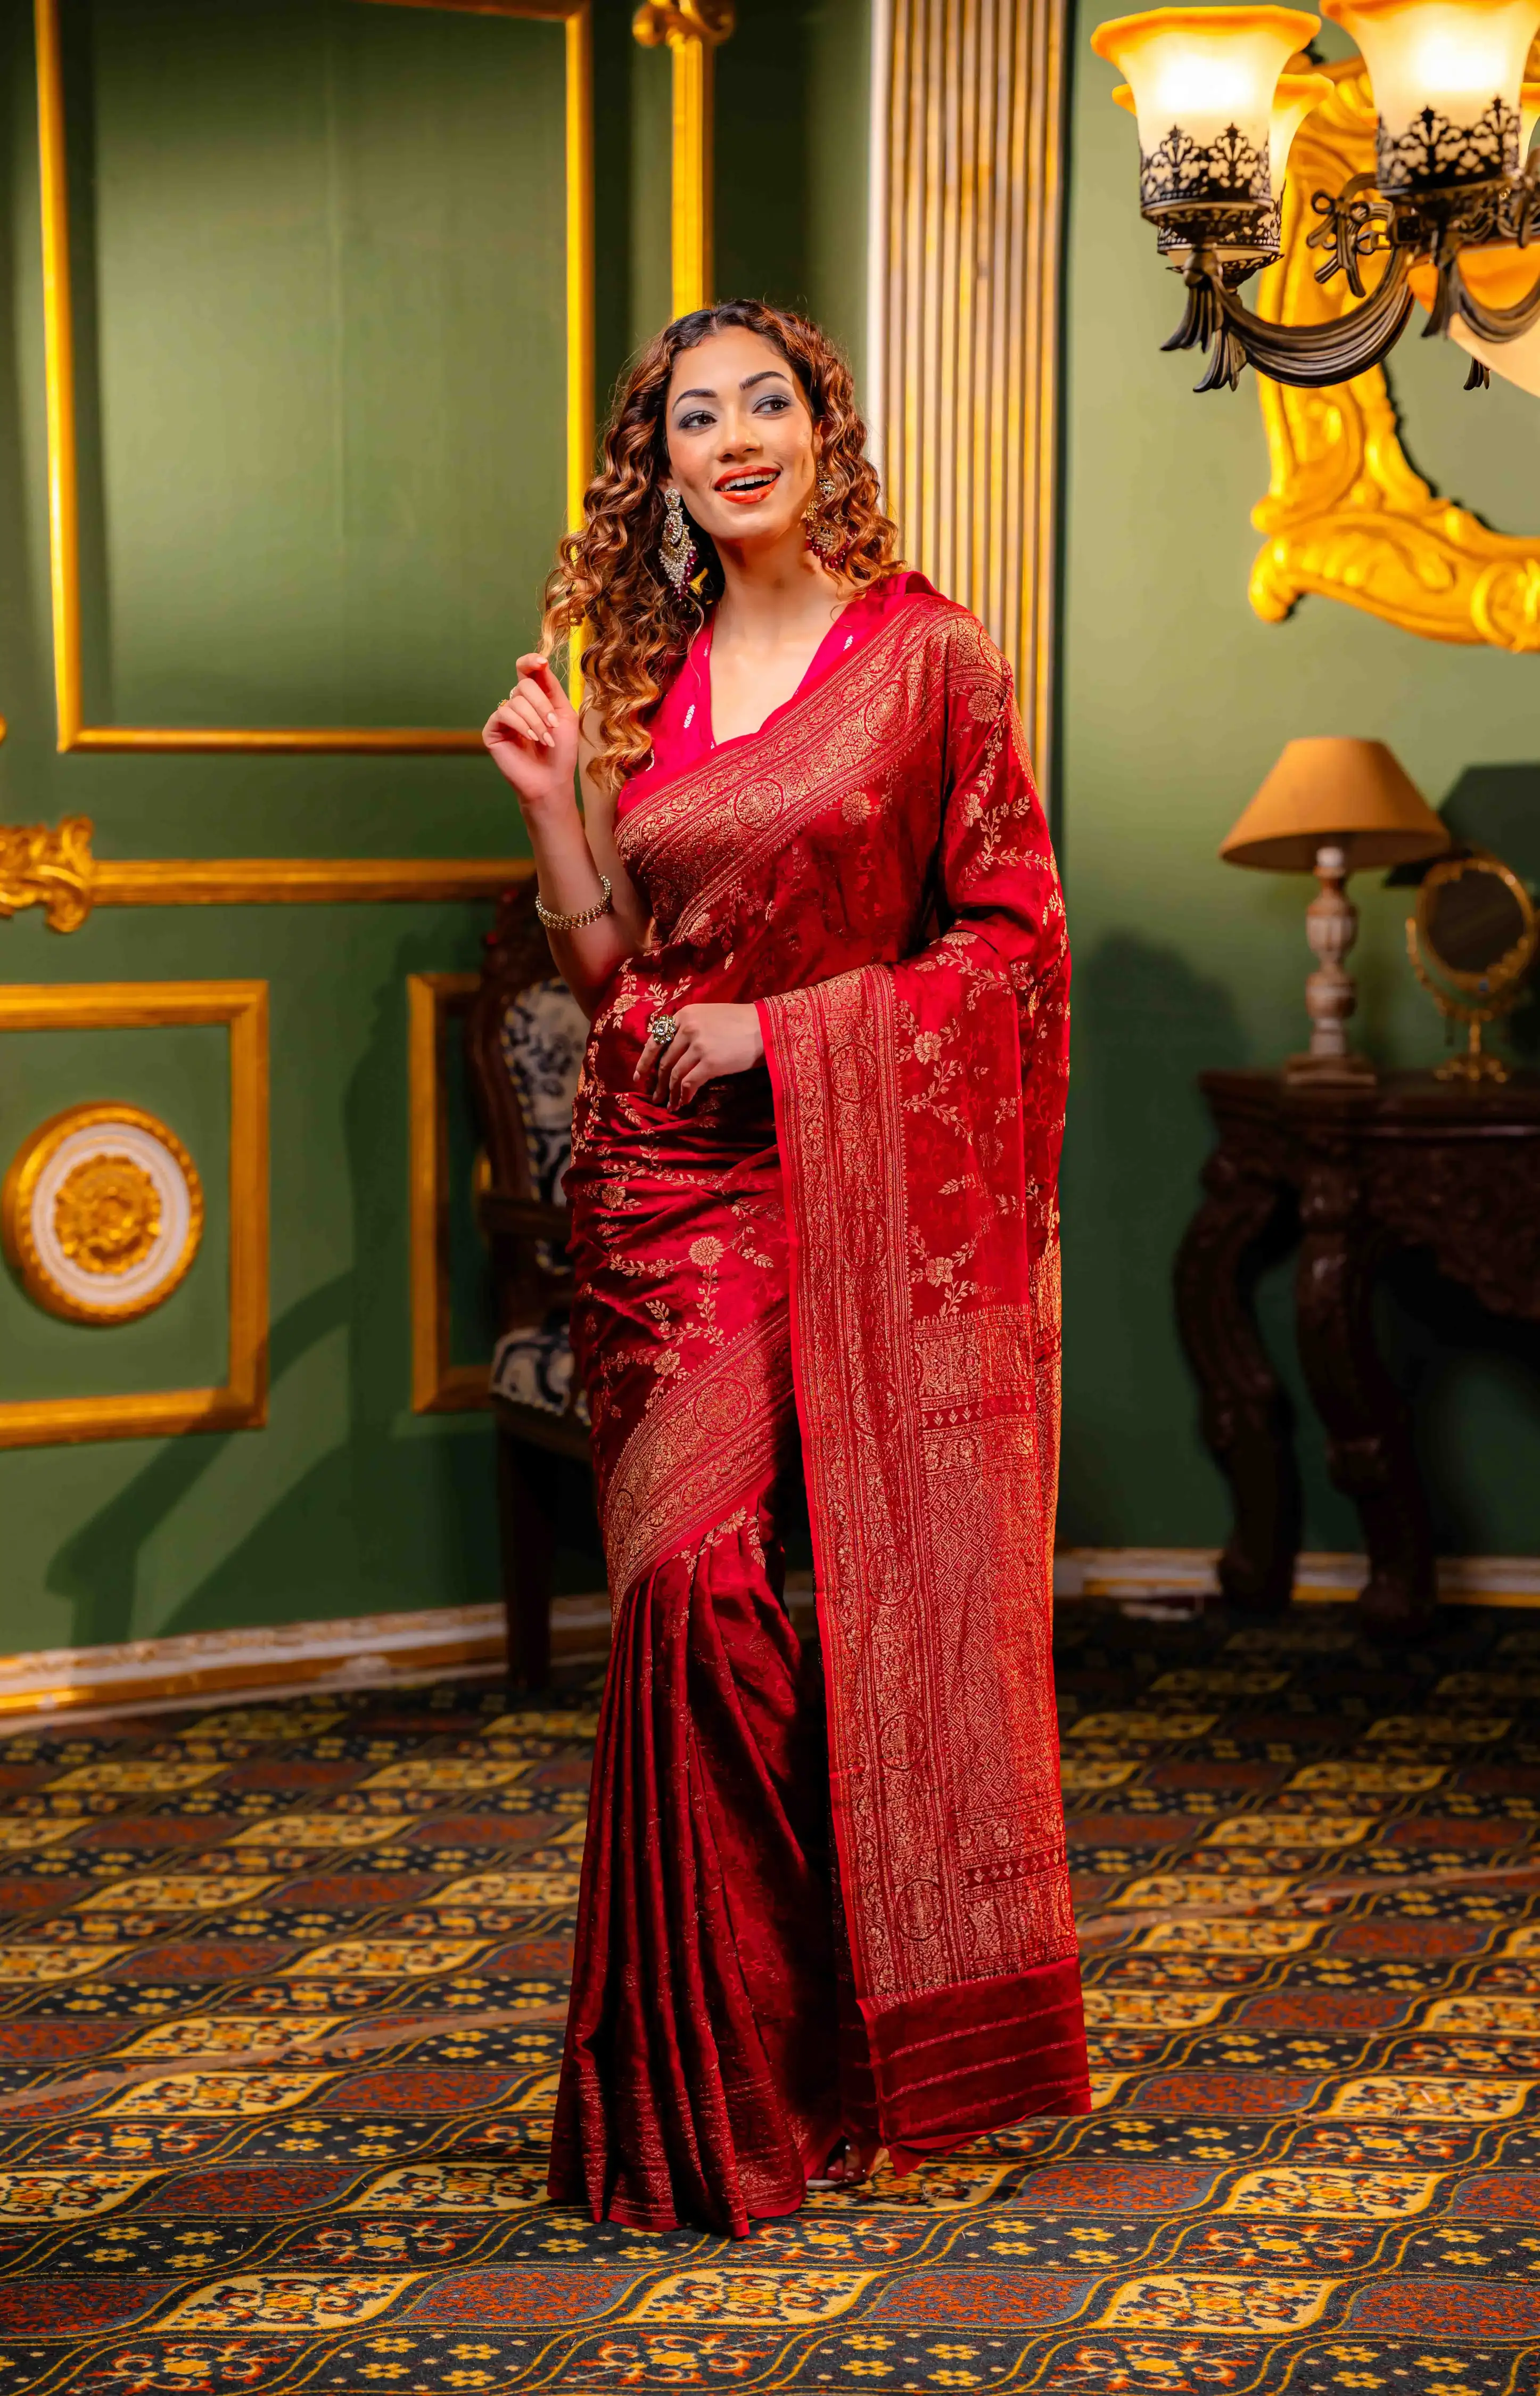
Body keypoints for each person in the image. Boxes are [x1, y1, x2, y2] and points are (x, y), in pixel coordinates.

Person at [483, 299, 1088, 2239]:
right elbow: (616, 986)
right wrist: (560, 813)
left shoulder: (926, 658)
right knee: (683, 1601)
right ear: (654, 469)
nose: (732, 439)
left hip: (832, 1166)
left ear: (823, 430)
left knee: (741, 1601)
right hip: (652, 1199)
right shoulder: (648, 672)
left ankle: (794, 2063)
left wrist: (794, 1037)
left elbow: (1014, 951)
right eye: (691, 419)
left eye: (765, 404)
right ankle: (699, 2083)